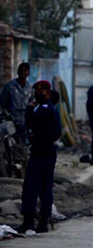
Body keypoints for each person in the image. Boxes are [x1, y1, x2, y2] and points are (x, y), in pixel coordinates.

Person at [15, 80, 62, 233]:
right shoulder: (45, 108)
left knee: (31, 188)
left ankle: (31, 221)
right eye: (36, 92)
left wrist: (38, 137)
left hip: (41, 152)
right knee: (44, 188)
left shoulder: (45, 110)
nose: (37, 94)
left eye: (41, 92)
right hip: (45, 152)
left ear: (47, 93)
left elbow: (40, 128)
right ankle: (43, 221)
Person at [0, 62, 33, 176]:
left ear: (28, 73)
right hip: (12, 120)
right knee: (10, 144)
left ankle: (21, 167)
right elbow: (3, 103)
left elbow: (31, 104)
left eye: (25, 71)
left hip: (25, 120)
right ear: (17, 71)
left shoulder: (30, 88)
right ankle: (10, 165)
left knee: (23, 145)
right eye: (21, 70)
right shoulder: (10, 86)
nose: (23, 73)